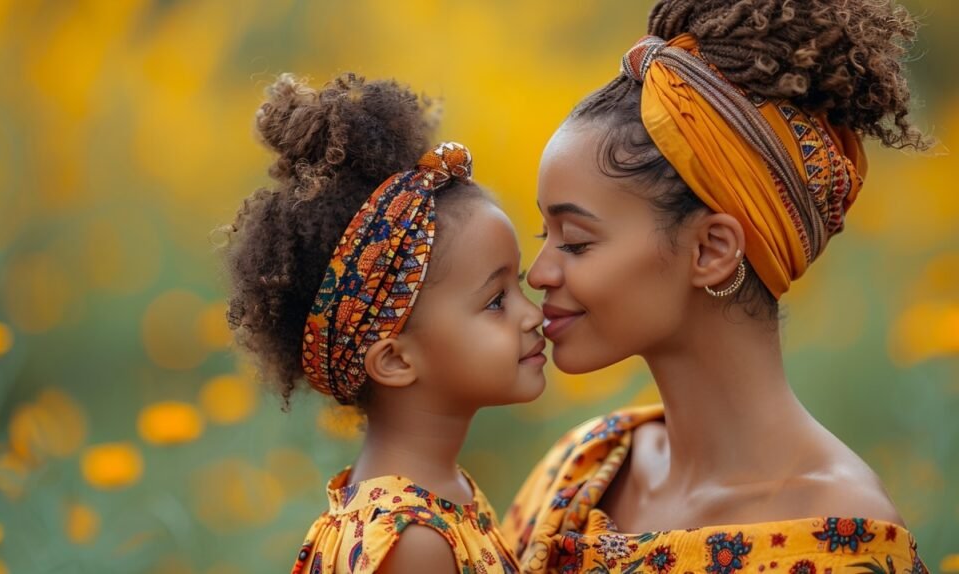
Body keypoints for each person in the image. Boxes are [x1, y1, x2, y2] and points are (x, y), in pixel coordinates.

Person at [504, 1, 931, 572]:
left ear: (711, 250)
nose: (538, 273)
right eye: (543, 233)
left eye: (576, 241)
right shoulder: (583, 468)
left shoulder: (840, 535)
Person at [220, 72, 546, 573]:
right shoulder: (412, 540)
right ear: (395, 359)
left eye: (519, 283)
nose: (534, 314)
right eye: (496, 301)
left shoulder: (435, 497)